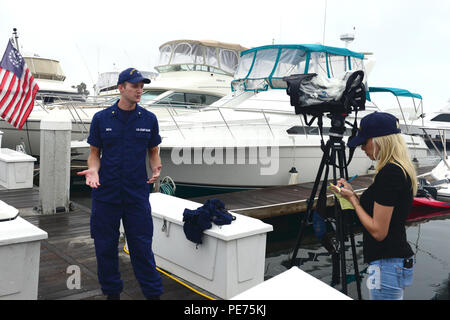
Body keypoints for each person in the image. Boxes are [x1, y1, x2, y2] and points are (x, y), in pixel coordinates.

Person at [77, 67, 163, 300]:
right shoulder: (101, 119)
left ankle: (153, 295)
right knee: (105, 247)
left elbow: (153, 151)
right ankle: (112, 293)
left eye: (141, 86)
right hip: (106, 194)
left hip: (136, 195)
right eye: (135, 86)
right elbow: (94, 153)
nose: (139, 90)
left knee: (142, 248)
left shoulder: (149, 119)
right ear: (121, 88)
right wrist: (93, 170)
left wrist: (156, 166)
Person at [332, 112, 416, 300]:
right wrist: (353, 194)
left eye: (364, 142)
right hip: (395, 260)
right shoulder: (400, 169)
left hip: (387, 263)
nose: (362, 147)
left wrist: (353, 201)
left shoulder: (390, 173)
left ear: (380, 140)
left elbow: (378, 231)